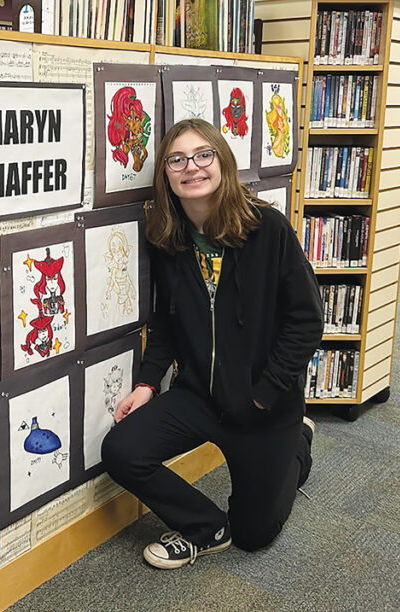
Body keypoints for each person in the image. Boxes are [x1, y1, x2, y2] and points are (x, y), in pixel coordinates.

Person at [101, 118, 322, 570]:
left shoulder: (269, 229)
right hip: (200, 395)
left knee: (255, 534)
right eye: (177, 159)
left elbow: (306, 322)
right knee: (121, 450)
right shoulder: (168, 239)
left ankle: (297, 447)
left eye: (204, 155)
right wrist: (147, 383)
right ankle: (205, 528)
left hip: (263, 408)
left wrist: (266, 394)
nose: (192, 167)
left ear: (222, 160)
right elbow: (164, 322)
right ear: (166, 174)